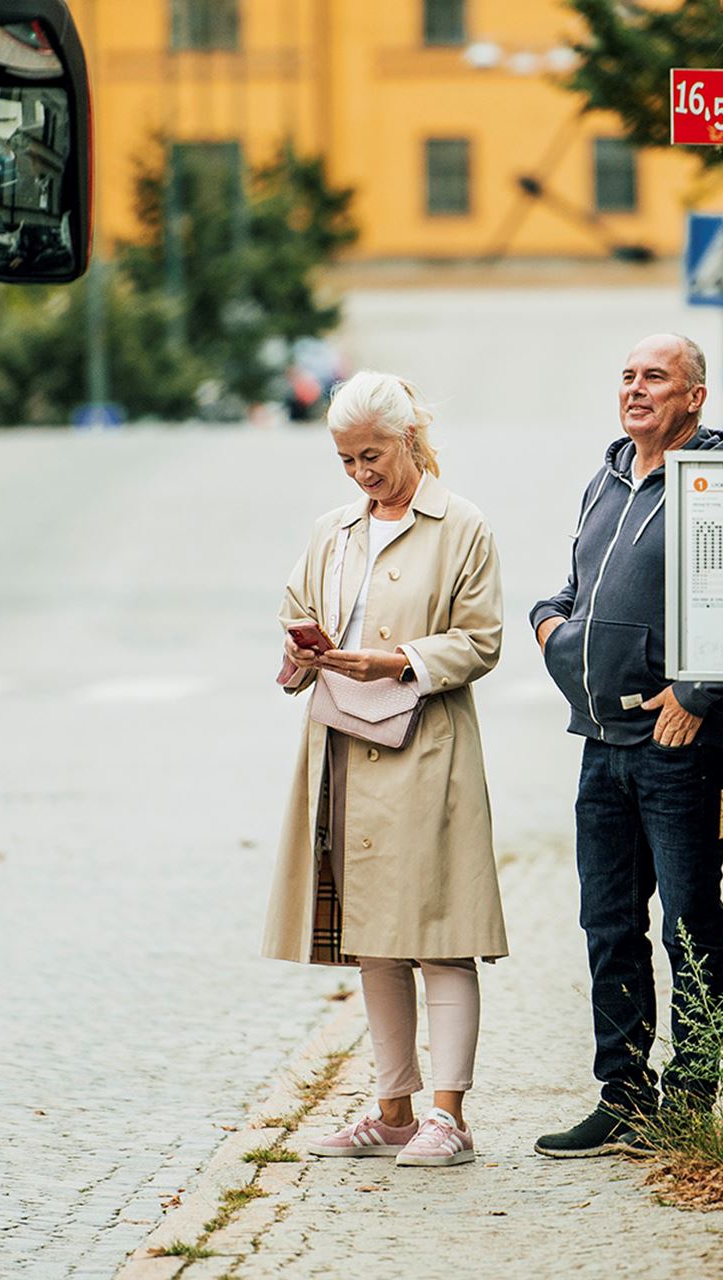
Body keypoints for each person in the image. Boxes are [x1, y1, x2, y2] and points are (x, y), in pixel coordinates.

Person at [263, 371, 507, 1169]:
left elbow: (481, 640)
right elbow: (297, 611)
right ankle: (393, 1109)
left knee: (440, 931)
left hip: (428, 748)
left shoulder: (461, 523)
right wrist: (303, 652)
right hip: (342, 747)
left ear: (407, 440)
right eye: (346, 460)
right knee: (372, 939)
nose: (361, 473)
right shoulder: (333, 530)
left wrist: (397, 661)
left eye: (371, 455)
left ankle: (449, 1116)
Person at [530, 333, 723, 1158]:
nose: (636, 388)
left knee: (689, 919)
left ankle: (689, 1098)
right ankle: (623, 1095)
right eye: (627, 376)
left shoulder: (715, 478)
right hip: (600, 738)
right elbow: (572, 588)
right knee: (608, 922)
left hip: (673, 744)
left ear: (695, 397)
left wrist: (698, 692)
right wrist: (548, 625)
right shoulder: (607, 475)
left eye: (656, 377)